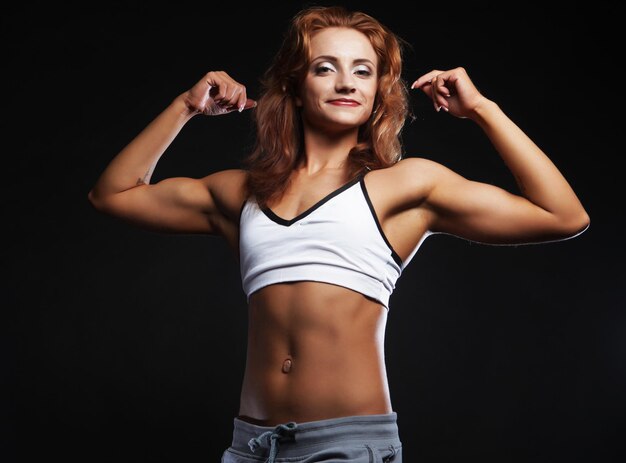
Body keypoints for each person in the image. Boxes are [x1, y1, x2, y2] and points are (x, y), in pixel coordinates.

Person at [87, 5, 590, 462]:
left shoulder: (405, 186)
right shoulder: (243, 193)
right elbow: (113, 194)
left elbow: (563, 215)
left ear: (377, 95)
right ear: (294, 87)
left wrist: (481, 109)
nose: (346, 82)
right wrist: (186, 106)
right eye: (326, 67)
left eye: (363, 71)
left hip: (347, 445)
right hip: (251, 446)